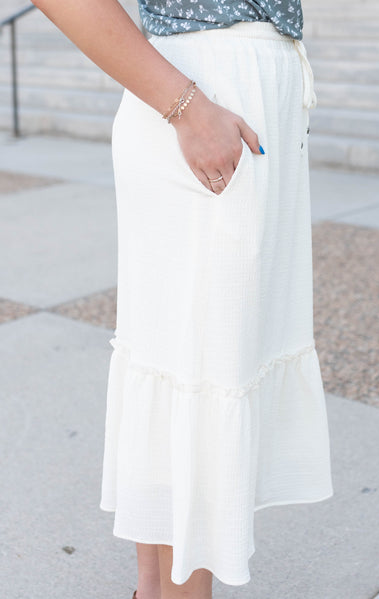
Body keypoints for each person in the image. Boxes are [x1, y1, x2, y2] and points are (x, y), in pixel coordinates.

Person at [31, 1, 334, 598]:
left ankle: (155, 591)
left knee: (181, 368)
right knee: (199, 370)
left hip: (234, 96)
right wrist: (189, 108)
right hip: (206, 96)